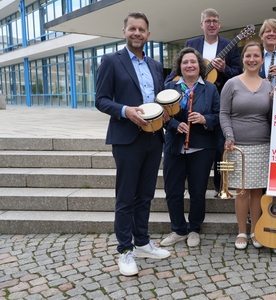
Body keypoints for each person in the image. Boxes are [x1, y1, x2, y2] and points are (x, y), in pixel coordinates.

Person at [95, 11, 171, 276]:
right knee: (126, 196)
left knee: (146, 195)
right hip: (127, 138)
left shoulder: (155, 65)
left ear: (148, 34)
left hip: (154, 136)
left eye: (142, 29)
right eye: (132, 29)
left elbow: (159, 101)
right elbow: (101, 99)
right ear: (124, 31)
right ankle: (125, 250)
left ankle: (142, 242)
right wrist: (126, 110)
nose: (137, 33)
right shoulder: (110, 61)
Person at [165, 8, 242, 198]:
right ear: (202, 24)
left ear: (219, 24)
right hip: (190, 103)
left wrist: (224, 68)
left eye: (215, 21)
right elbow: (178, 71)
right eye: (208, 21)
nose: (212, 24)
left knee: (218, 144)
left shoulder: (228, 45)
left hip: (219, 98)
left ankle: (219, 186)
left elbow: (238, 73)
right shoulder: (192, 44)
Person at [160, 47, 220, 248]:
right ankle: (178, 229)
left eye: (193, 62)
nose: (189, 65)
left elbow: (219, 116)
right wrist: (176, 125)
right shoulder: (170, 87)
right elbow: (162, 116)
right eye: (185, 62)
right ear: (180, 66)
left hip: (201, 149)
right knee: (173, 191)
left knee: (197, 191)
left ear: (199, 65)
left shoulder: (210, 88)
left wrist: (204, 119)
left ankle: (194, 228)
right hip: (175, 147)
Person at [219, 42, 273, 250]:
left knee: (258, 192)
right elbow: (224, 113)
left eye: (256, 56)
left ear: (261, 59)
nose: (252, 59)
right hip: (237, 145)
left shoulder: (268, 86)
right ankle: (242, 231)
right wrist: (229, 135)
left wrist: (275, 100)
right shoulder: (231, 84)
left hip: (262, 144)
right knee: (241, 192)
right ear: (243, 59)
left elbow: (271, 116)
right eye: (248, 56)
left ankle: (255, 231)